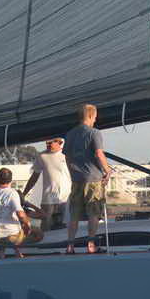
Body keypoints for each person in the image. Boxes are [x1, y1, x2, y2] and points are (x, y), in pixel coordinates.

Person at [63, 103, 112, 254]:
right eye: (95, 117)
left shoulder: (70, 134)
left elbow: (67, 157)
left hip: (76, 179)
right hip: (93, 179)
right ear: (90, 116)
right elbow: (98, 153)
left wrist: (72, 173)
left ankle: (70, 246)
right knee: (93, 213)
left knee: (74, 215)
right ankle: (91, 245)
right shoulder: (94, 133)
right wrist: (108, 170)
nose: (95, 120)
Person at [22, 138, 71, 230]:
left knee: (64, 227)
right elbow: (34, 177)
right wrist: (24, 193)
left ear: (59, 142)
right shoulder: (42, 156)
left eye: (50, 143)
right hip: (47, 199)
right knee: (46, 227)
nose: (48, 145)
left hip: (65, 198)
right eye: (46, 143)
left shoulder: (67, 154)